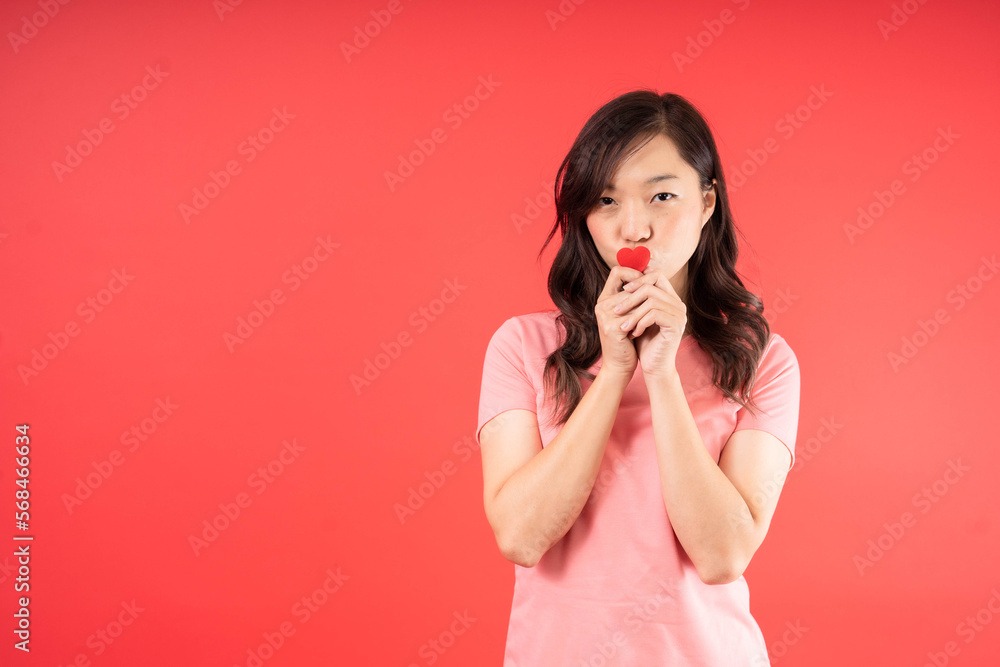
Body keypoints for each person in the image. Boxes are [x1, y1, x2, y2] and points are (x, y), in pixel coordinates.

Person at [475, 90, 801, 666]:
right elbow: (520, 537)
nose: (634, 228)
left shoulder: (763, 360)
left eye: (662, 196)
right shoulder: (523, 347)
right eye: (606, 200)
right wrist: (615, 370)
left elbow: (723, 553)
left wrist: (662, 372)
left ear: (706, 204)